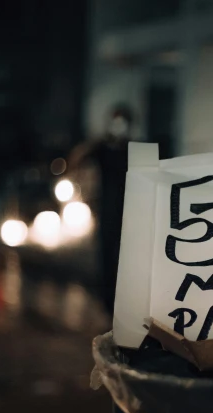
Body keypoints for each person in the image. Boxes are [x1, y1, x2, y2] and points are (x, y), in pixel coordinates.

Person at [68, 105, 133, 318]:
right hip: (106, 212)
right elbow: (77, 158)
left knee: (126, 260)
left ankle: (124, 303)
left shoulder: (132, 148)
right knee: (105, 258)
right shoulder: (103, 148)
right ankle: (107, 303)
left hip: (130, 213)